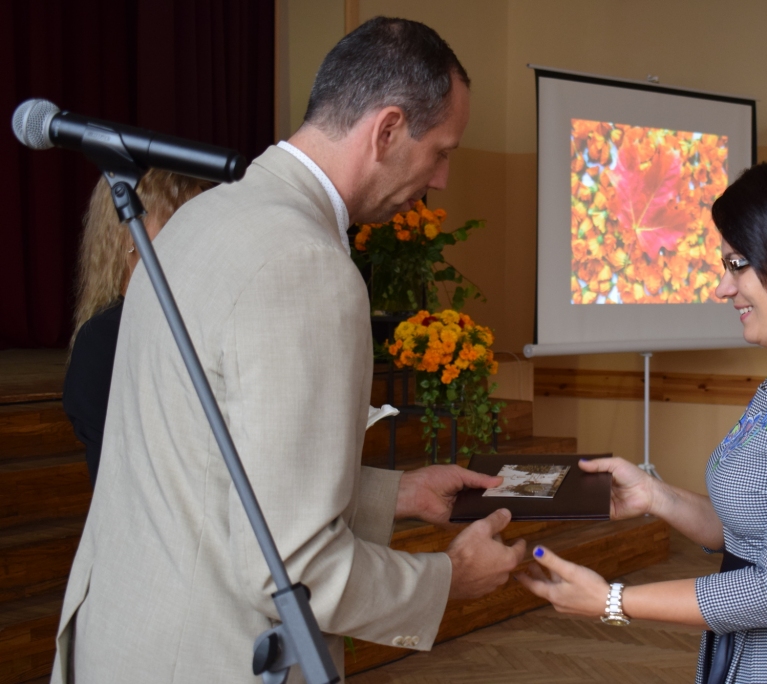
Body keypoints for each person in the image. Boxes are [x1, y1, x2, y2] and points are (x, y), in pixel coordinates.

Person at [51, 17, 526, 683]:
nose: (442, 179)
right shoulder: (304, 264)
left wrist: (397, 494)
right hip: (212, 655)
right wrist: (448, 578)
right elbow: (292, 565)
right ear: (387, 129)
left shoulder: (201, 219)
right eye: (442, 151)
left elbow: (211, 469)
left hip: (128, 637)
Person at [518, 150, 767, 684]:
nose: (724, 287)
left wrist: (612, 600)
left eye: (738, 264)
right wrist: (656, 496)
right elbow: (756, 534)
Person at [64, 170, 211, 488]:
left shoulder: (204, 325)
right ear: (130, 235)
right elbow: (123, 482)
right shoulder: (103, 340)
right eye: (181, 221)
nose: (200, 239)